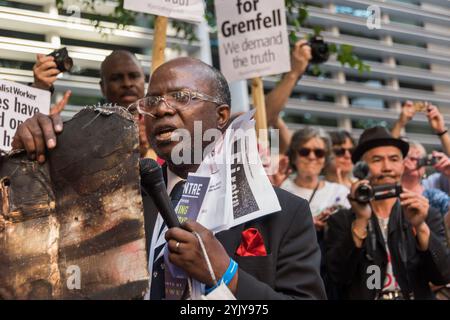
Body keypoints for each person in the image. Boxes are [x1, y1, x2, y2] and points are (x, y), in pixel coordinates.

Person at [12, 57, 326, 300]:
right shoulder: (115, 198)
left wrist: (226, 274)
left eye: (181, 95)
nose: (162, 109)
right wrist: (30, 159)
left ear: (220, 116)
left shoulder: (282, 213)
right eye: (152, 101)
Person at [326, 126, 450, 300]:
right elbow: (338, 277)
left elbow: (442, 275)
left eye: (394, 159)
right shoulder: (342, 220)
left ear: (402, 164)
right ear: (360, 168)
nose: (387, 168)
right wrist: (361, 220)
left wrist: (420, 226)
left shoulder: (426, 213)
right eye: (377, 160)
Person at [31, 50, 154, 159]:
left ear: (144, 80)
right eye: (116, 78)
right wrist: (39, 91)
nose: (127, 83)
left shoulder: (162, 124)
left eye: (134, 76)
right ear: (102, 87)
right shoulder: (84, 132)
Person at [282, 127, 350, 229]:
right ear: (294, 157)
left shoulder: (340, 192)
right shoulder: (282, 188)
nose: (312, 157)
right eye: (304, 152)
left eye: (319, 153)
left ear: (325, 159)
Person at [402, 141, 449, 217]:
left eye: (421, 160)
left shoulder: (433, 196)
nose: (416, 162)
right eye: (410, 158)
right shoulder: (390, 191)